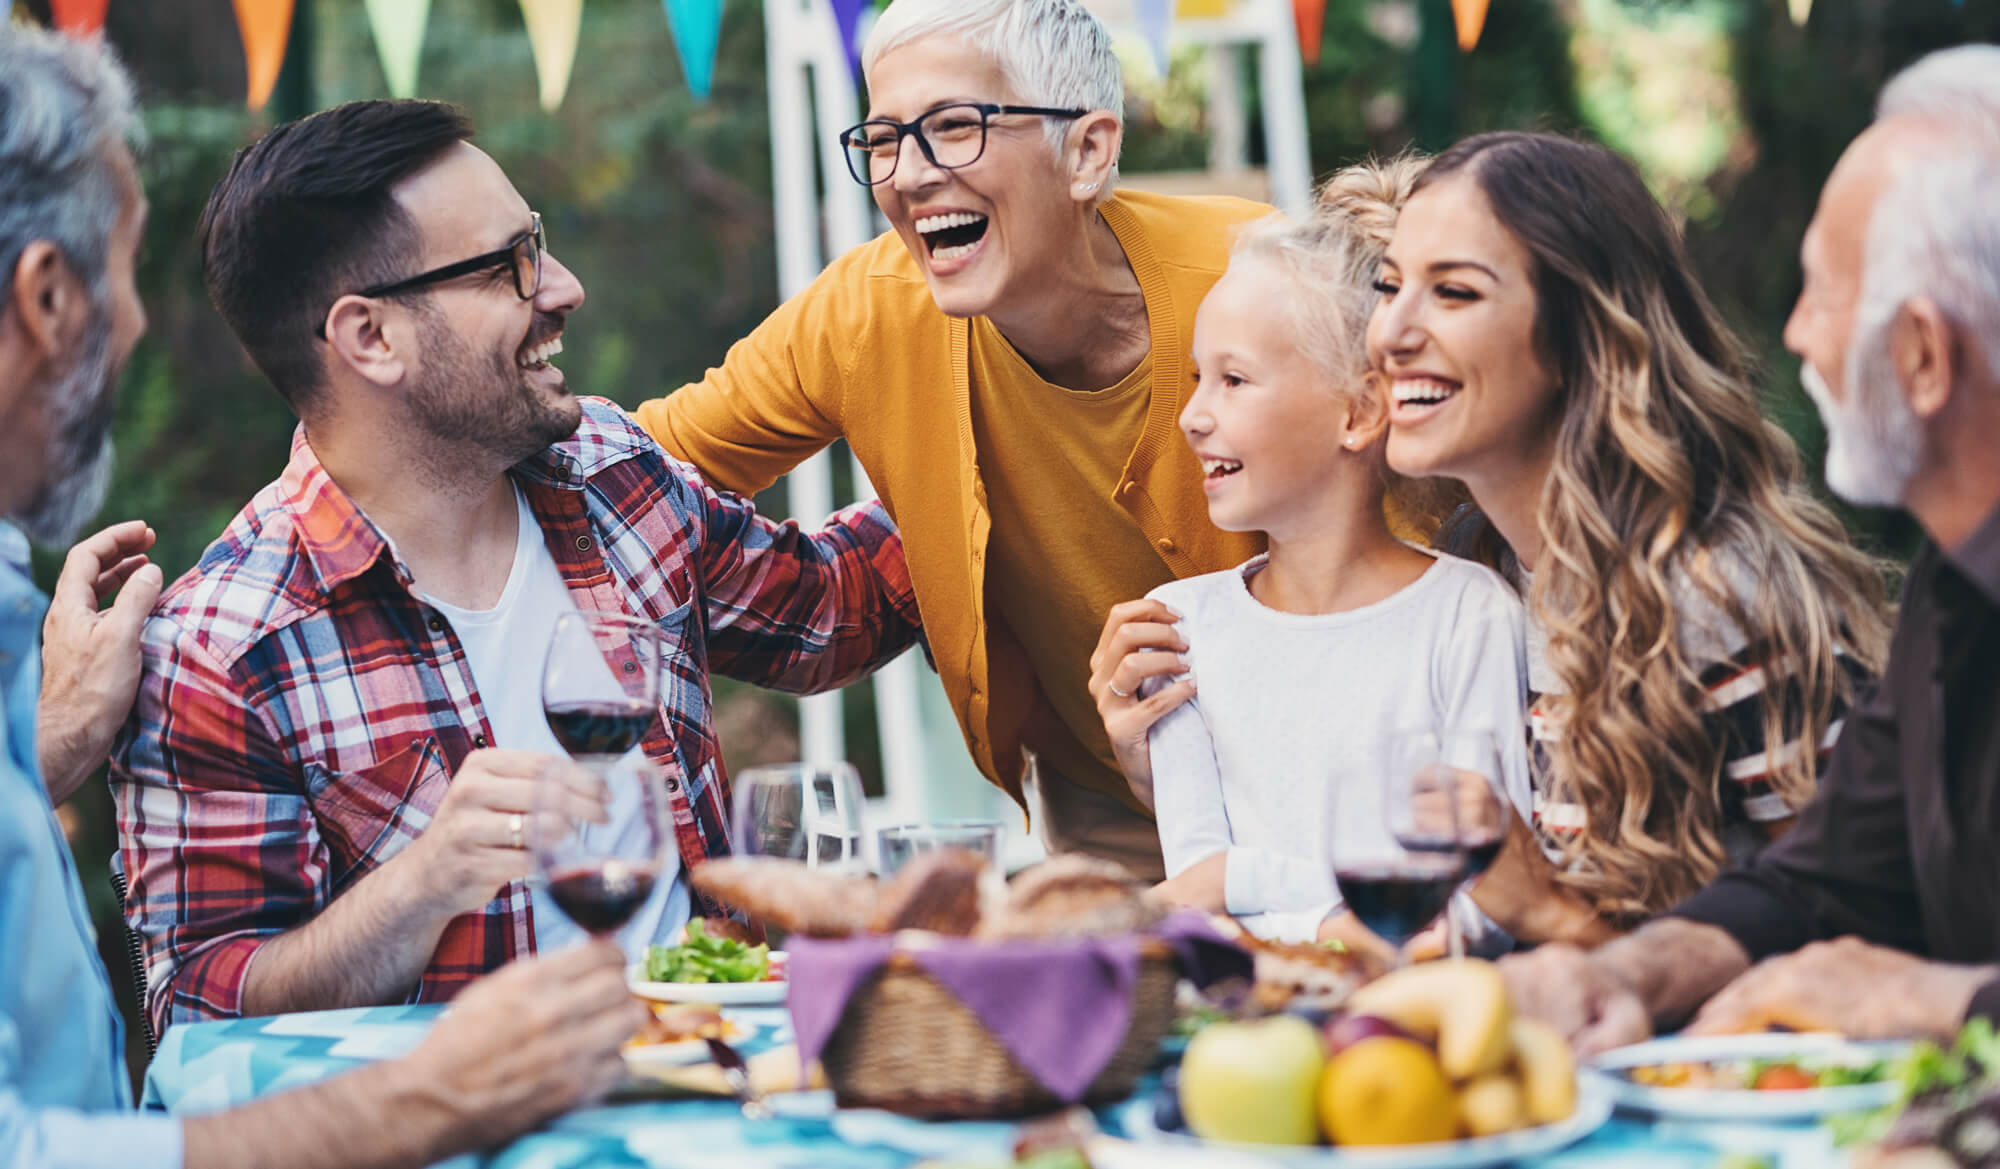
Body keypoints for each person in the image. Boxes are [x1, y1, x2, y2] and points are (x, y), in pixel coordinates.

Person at [110, 97, 922, 1035]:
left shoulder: (615, 475)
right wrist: (423, 885)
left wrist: (1032, 434)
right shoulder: (221, 649)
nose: (565, 287)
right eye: (512, 266)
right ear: (370, 338)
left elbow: (832, 610)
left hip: (711, 1092)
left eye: (539, 243)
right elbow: (205, 1009)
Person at [1, 25, 647, 1169]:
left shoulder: (611, 472)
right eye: (119, 274)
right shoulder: (219, 633)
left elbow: (850, 588)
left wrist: (43, 748)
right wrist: (434, 1094)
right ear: (47, 297)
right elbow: (115, 1085)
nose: (140, 323)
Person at [1099, 130, 1892, 945]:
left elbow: (1859, 930)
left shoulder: (1716, 594)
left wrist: (1544, 912)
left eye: (1454, 294)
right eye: (1393, 286)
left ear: (1580, 335)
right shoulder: (1490, 573)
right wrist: (1159, 767)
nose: (1391, 333)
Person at [630, 0, 1286, 880]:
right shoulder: (869, 312)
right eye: (886, 140)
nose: (909, 174)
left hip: (1346, 792)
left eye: (952, 128)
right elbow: (631, 467)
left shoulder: (1263, 278)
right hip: (1114, 831)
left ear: (1087, 150)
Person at [1500, 45, 2000, 1053]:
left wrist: (1937, 999)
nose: (1795, 331)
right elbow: (1816, 877)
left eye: (1821, 292)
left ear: (1920, 354)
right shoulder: (1951, 587)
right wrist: (1626, 967)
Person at [1139, 159, 1532, 949]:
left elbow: (1484, 897)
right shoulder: (1178, 628)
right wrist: (1295, 907)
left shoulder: (1470, 614)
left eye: (1233, 380)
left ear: (1358, 412)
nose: (1192, 416)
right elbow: (1195, 894)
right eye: (1195, 378)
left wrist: (1246, 883)